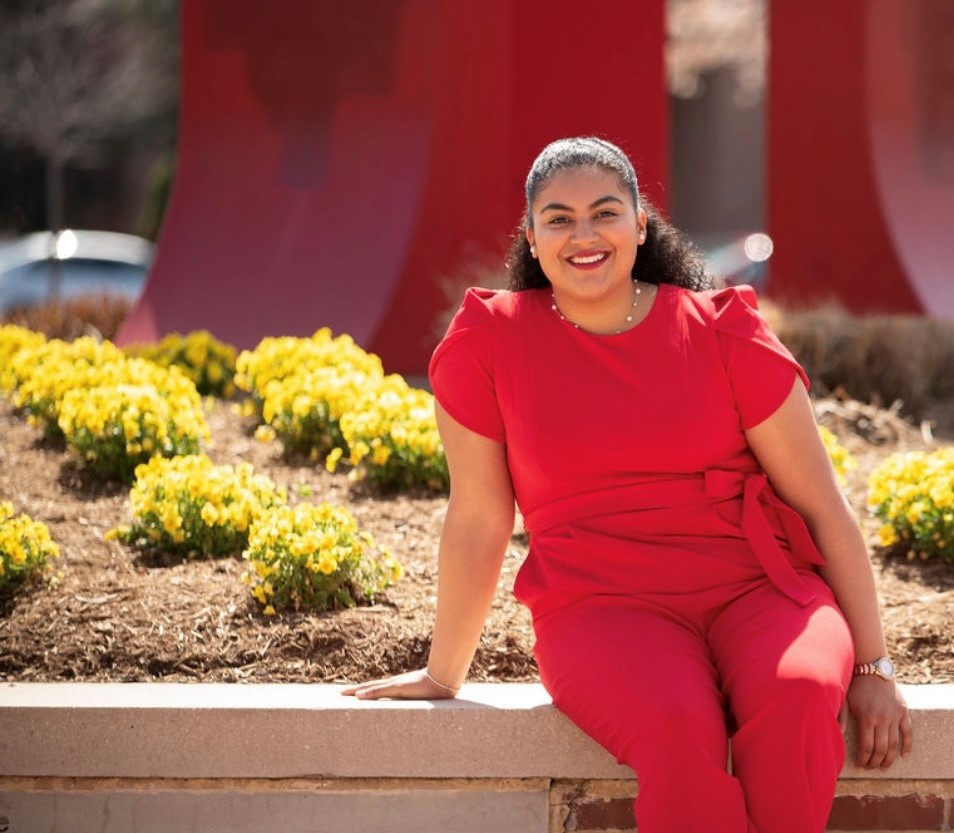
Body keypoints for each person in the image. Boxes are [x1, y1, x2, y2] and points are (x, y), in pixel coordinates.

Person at [343, 136, 912, 832]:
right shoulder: (487, 341)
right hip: (600, 603)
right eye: (558, 218)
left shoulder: (723, 329)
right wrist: (443, 673)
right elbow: (478, 517)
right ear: (531, 234)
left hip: (758, 586)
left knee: (797, 695)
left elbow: (821, 505)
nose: (584, 235)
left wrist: (875, 668)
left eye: (605, 212)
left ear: (641, 225)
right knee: (677, 730)